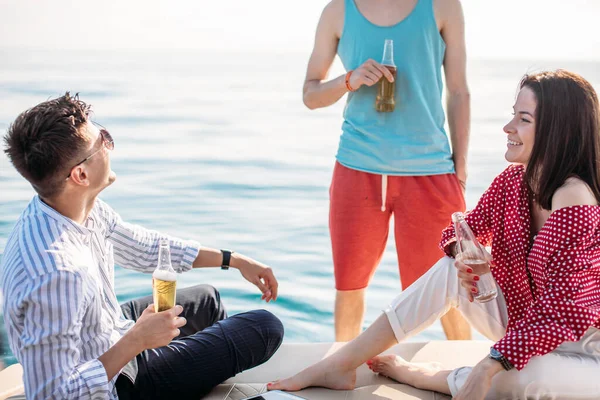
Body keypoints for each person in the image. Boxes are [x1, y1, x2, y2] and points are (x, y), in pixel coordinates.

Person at [269, 70, 600, 399]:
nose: (508, 128)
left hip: (587, 350)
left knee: (519, 380)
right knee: (449, 273)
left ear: (558, 130)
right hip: (528, 324)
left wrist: (490, 363)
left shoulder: (574, 196)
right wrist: (464, 256)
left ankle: (427, 377)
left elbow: (564, 308)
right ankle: (341, 363)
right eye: (513, 115)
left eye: (523, 119)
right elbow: (457, 232)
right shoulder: (514, 181)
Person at [0, 93, 284, 400]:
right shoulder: (57, 272)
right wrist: (136, 341)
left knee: (208, 300)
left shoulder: (73, 208)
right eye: (103, 141)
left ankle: (186, 372)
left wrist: (234, 259)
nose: (110, 145)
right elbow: (53, 395)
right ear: (80, 175)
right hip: (114, 384)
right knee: (265, 327)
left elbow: (146, 248)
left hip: (104, 335)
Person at [304, 0, 471, 341]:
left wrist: (461, 169)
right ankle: (341, 369)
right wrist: (349, 80)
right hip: (357, 166)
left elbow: (458, 91)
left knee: (448, 290)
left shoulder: (443, 6)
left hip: (430, 170)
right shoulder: (338, 11)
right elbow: (311, 93)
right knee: (349, 286)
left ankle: (470, 378)